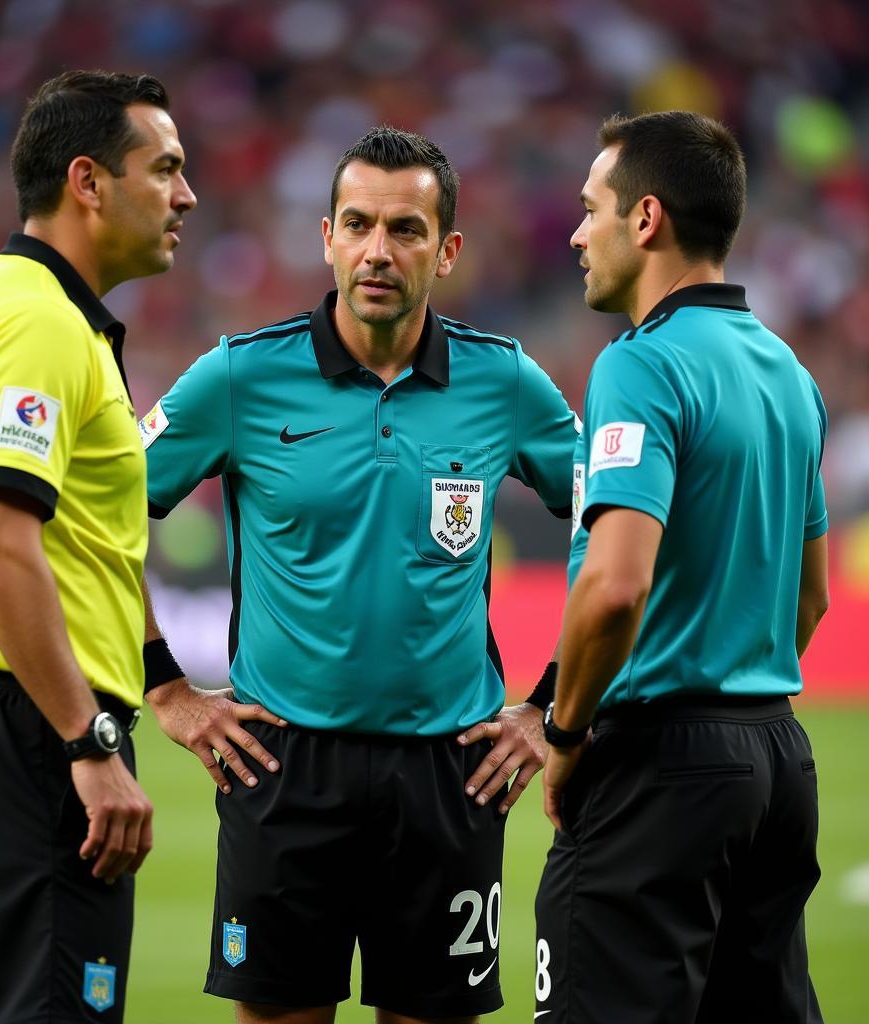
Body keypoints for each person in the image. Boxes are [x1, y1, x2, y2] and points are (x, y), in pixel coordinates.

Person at [139, 125, 578, 1024]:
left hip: (452, 772)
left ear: (447, 249)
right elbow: (94, 521)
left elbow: (623, 534)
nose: (380, 250)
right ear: (326, 237)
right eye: (359, 224)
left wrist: (551, 709)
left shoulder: (504, 382)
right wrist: (166, 691)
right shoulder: (240, 376)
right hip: (282, 765)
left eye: (407, 229)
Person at [0, 70, 197, 1023]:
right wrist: (87, 737)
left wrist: (159, 674)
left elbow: (84, 542)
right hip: (26, 732)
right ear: (88, 182)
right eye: (166, 168)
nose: (187, 195)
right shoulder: (35, 324)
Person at [535, 110, 830, 1024]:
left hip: (660, 766)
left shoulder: (641, 365)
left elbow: (615, 585)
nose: (579, 233)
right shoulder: (788, 371)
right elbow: (810, 598)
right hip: (777, 760)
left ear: (647, 218)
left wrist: (567, 731)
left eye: (592, 209)